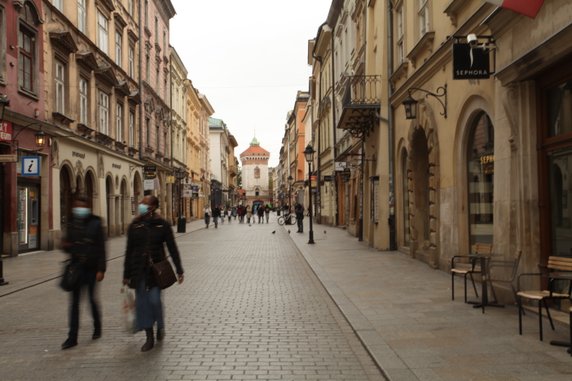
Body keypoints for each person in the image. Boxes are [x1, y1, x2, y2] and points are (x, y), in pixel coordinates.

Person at [123, 195, 184, 352]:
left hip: (156, 271)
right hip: (138, 271)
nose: (141, 205)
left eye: (144, 203)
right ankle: (149, 336)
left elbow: (172, 247)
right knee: (143, 304)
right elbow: (129, 251)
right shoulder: (134, 226)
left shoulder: (162, 225)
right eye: (141, 202)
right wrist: (126, 274)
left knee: (155, 301)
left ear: (152, 207)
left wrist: (179, 269)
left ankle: (160, 325)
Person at [61, 196, 107, 350]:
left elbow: (101, 248)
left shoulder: (96, 223)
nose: (78, 208)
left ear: (87, 207)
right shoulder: (71, 222)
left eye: (81, 206)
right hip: (76, 268)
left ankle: (97, 327)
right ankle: (72, 337)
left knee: (91, 300)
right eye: (76, 205)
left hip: (91, 267)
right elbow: (67, 245)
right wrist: (65, 245)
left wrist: (101, 269)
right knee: (74, 303)